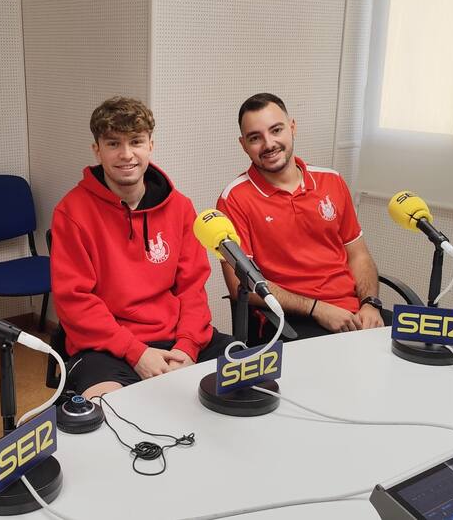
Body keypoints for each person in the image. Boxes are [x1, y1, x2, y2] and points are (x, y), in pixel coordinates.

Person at [50, 96, 233, 398]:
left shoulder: (180, 207)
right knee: (108, 413)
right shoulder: (72, 212)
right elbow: (76, 303)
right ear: (97, 150)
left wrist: (187, 348)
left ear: (150, 145)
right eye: (113, 144)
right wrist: (136, 353)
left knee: (252, 376)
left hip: (178, 339)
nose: (126, 155)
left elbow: (192, 289)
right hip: (108, 348)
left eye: (135, 141)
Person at [216, 93, 385, 343]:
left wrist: (371, 303)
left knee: (420, 353)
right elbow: (241, 286)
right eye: (255, 138)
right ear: (243, 144)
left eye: (276, 130)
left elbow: (358, 255)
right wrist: (317, 309)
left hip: (355, 312)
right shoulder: (234, 199)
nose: (269, 143)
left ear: (292, 127)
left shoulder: (332, 181)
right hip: (292, 320)